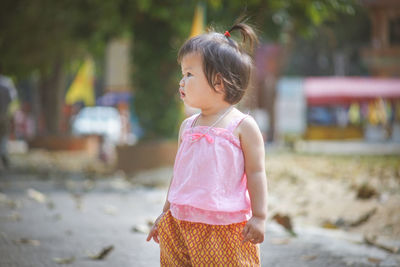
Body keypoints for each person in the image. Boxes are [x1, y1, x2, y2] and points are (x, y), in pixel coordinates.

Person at [146, 21, 268, 266]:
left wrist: (259, 217)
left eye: (189, 74)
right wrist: (165, 212)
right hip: (179, 223)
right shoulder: (188, 126)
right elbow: (179, 175)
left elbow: (256, 173)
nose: (182, 81)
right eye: (182, 74)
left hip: (223, 228)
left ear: (219, 82)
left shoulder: (242, 126)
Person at [0, 71, 17, 169]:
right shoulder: (6, 82)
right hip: (3, 113)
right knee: (3, 135)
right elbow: (12, 99)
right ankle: (3, 153)